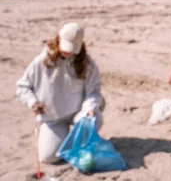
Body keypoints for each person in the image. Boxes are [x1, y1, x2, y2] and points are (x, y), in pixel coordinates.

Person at [16, 23, 105, 164]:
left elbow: (94, 91)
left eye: (72, 49)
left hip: (78, 113)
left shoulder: (87, 64)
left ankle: (77, 138)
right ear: (58, 40)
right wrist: (32, 102)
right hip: (53, 117)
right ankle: (61, 137)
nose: (68, 53)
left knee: (94, 120)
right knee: (48, 157)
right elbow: (23, 87)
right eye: (66, 48)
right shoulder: (42, 61)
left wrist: (89, 108)